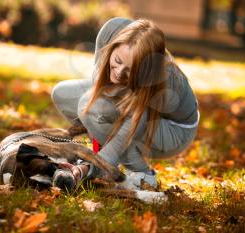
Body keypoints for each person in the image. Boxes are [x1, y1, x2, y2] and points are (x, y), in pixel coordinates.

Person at [51, 17, 199, 189]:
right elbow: (99, 83)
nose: (119, 73)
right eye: (118, 61)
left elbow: (133, 123)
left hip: (174, 129)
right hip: (130, 104)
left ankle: (143, 174)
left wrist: (89, 168)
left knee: (94, 108)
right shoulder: (110, 31)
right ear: (113, 46)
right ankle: (102, 148)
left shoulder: (162, 80)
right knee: (63, 94)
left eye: (130, 71)